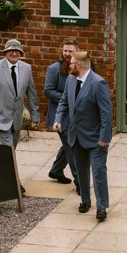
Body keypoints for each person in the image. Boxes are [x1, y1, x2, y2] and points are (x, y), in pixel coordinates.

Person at [53, 48, 112, 221]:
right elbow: (64, 101)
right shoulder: (71, 80)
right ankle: (85, 201)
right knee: (81, 171)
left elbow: (106, 113)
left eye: (71, 63)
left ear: (78, 65)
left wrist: (104, 138)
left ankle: (102, 207)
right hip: (75, 136)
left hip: (96, 139)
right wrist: (58, 119)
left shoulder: (98, 83)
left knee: (99, 172)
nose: (68, 65)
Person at [0, 37, 40, 149]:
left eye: (17, 51)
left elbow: (32, 93)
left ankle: (1, 166)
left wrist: (35, 115)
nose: (14, 53)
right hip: (0, 117)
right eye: (11, 51)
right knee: (9, 150)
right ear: (5, 52)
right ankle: (7, 166)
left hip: (17, 119)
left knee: (11, 150)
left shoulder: (26, 68)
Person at [43, 41, 77, 184]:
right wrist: (68, 98)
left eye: (70, 51)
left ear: (77, 51)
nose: (67, 54)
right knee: (72, 147)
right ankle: (79, 181)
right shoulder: (54, 69)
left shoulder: (81, 67)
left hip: (76, 115)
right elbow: (48, 91)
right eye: (65, 51)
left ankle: (56, 170)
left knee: (68, 144)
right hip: (60, 116)